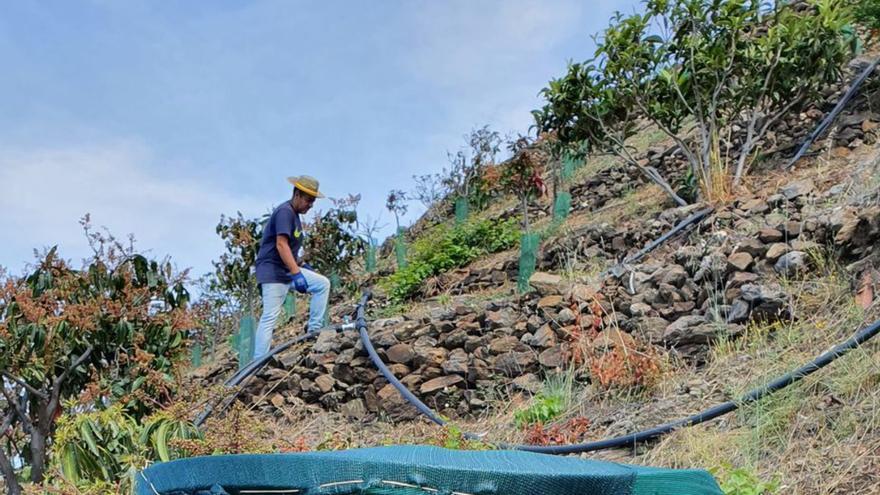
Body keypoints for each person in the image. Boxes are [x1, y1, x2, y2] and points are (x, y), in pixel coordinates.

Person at [253, 175, 331, 359]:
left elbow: (290, 250)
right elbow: (281, 245)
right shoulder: (285, 212)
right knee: (270, 316)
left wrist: (302, 265)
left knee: (322, 284)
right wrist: (297, 273)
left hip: (287, 269)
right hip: (273, 272)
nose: (311, 205)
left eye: (313, 201)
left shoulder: (294, 216)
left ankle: (314, 331)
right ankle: (258, 362)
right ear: (297, 194)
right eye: (308, 200)